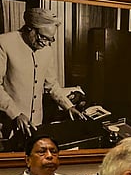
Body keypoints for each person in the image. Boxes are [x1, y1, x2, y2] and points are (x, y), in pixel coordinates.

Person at [0, 8, 86, 139]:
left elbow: (52, 85)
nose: (45, 43)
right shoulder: (4, 43)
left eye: (50, 39)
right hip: (9, 124)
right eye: (42, 37)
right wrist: (15, 114)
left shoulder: (46, 50)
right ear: (30, 28)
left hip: (36, 124)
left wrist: (68, 107)